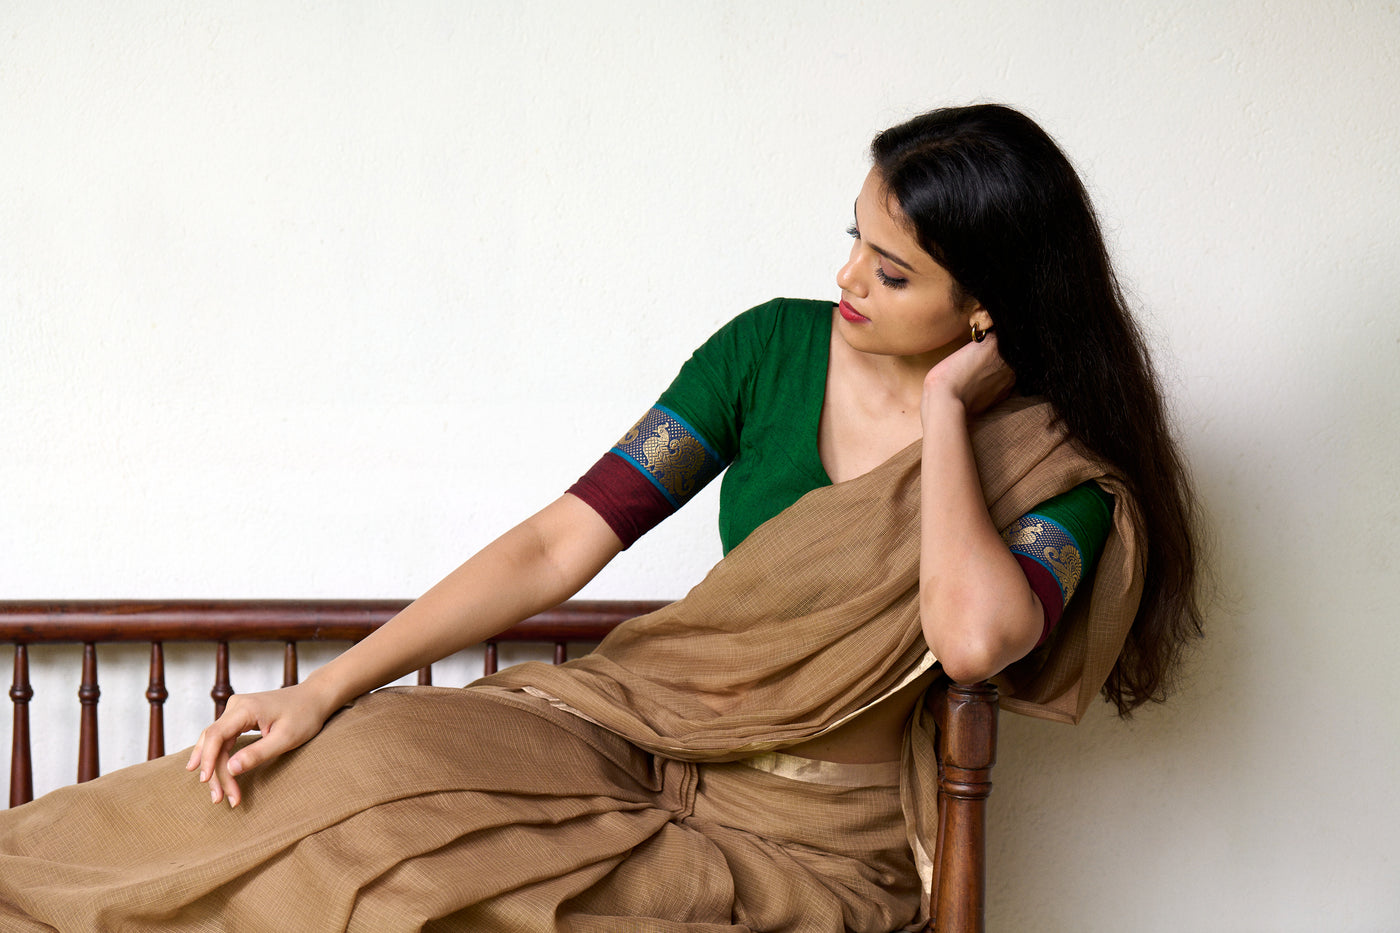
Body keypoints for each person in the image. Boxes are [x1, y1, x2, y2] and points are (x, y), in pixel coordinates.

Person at [0, 103, 1201, 932]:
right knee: (351, 771)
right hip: (621, 741)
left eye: (891, 273)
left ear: (988, 308)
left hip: (803, 842)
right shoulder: (769, 352)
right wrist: (326, 689)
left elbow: (974, 639)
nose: (846, 279)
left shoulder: (1044, 463)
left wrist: (944, 415)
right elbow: (559, 541)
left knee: (429, 901)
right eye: (853, 238)